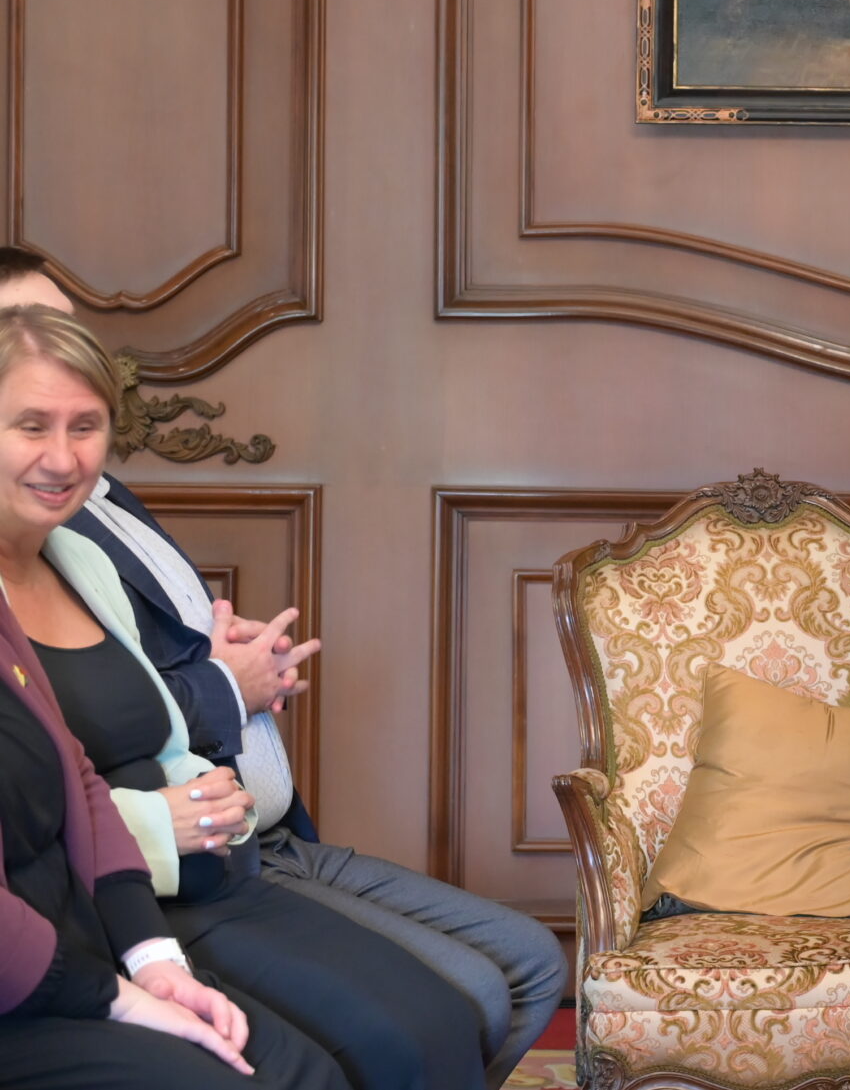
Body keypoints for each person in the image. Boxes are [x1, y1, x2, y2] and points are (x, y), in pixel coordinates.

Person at [0, 248, 566, 1088]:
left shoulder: (79, 543)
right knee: (367, 1045)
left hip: (236, 850)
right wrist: (216, 710)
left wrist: (220, 681)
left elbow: (135, 723)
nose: (62, 451)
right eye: (32, 419)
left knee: (461, 1001)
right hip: (141, 891)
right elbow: (57, 798)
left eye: (84, 422)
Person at [0, 565, 344, 1088]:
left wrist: (154, 959)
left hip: (95, 943)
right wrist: (117, 997)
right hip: (32, 995)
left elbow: (79, 780)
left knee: (306, 1071)